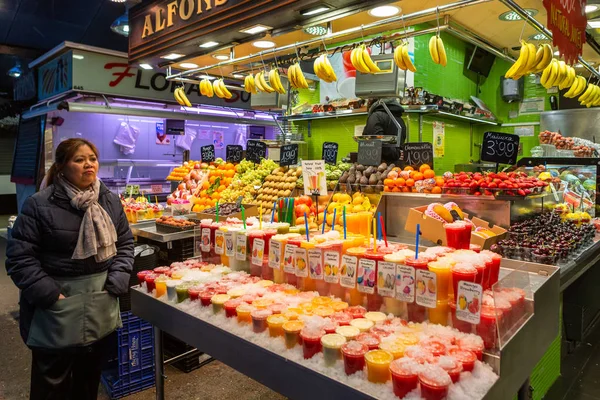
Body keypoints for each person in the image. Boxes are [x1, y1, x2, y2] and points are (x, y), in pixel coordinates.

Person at [6, 138, 134, 400]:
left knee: (89, 380)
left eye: (92, 158)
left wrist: (117, 280)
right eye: (79, 159)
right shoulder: (39, 205)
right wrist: (51, 296)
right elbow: (20, 258)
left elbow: (125, 244)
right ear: (62, 167)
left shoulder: (108, 201)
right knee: (52, 384)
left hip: (100, 299)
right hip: (57, 305)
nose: (89, 164)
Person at [363, 98, 407, 163]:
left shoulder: (376, 116)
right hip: (397, 167)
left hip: (379, 167)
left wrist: (396, 154)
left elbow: (375, 142)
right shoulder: (400, 119)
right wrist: (398, 154)